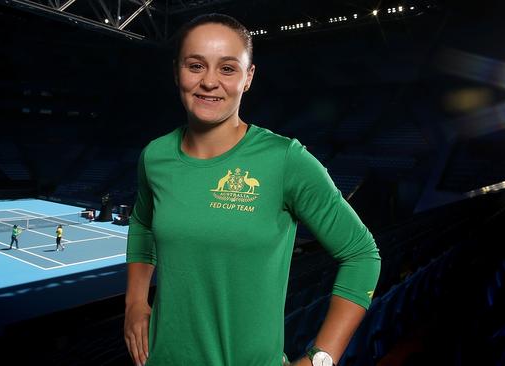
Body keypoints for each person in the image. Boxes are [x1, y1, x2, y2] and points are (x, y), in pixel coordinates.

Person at [124, 14, 381, 366]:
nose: (209, 82)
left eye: (228, 69)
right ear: (177, 72)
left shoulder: (285, 160)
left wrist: (322, 358)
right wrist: (135, 302)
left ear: (248, 78)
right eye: (196, 65)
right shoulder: (155, 156)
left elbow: (362, 254)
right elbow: (142, 222)